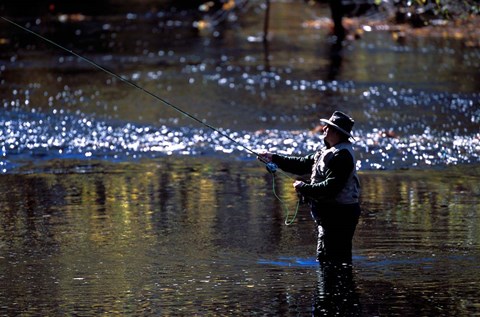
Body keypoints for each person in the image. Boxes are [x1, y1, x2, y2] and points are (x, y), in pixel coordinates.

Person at [258, 111, 361, 263]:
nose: (323, 128)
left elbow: (331, 187)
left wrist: (304, 187)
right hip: (330, 216)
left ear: (335, 131)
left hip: (340, 217)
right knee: (326, 259)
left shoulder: (342, 156)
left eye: (327, 126)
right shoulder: (327, 151)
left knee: (334, 261)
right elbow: (301, 164)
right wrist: (273, 158)